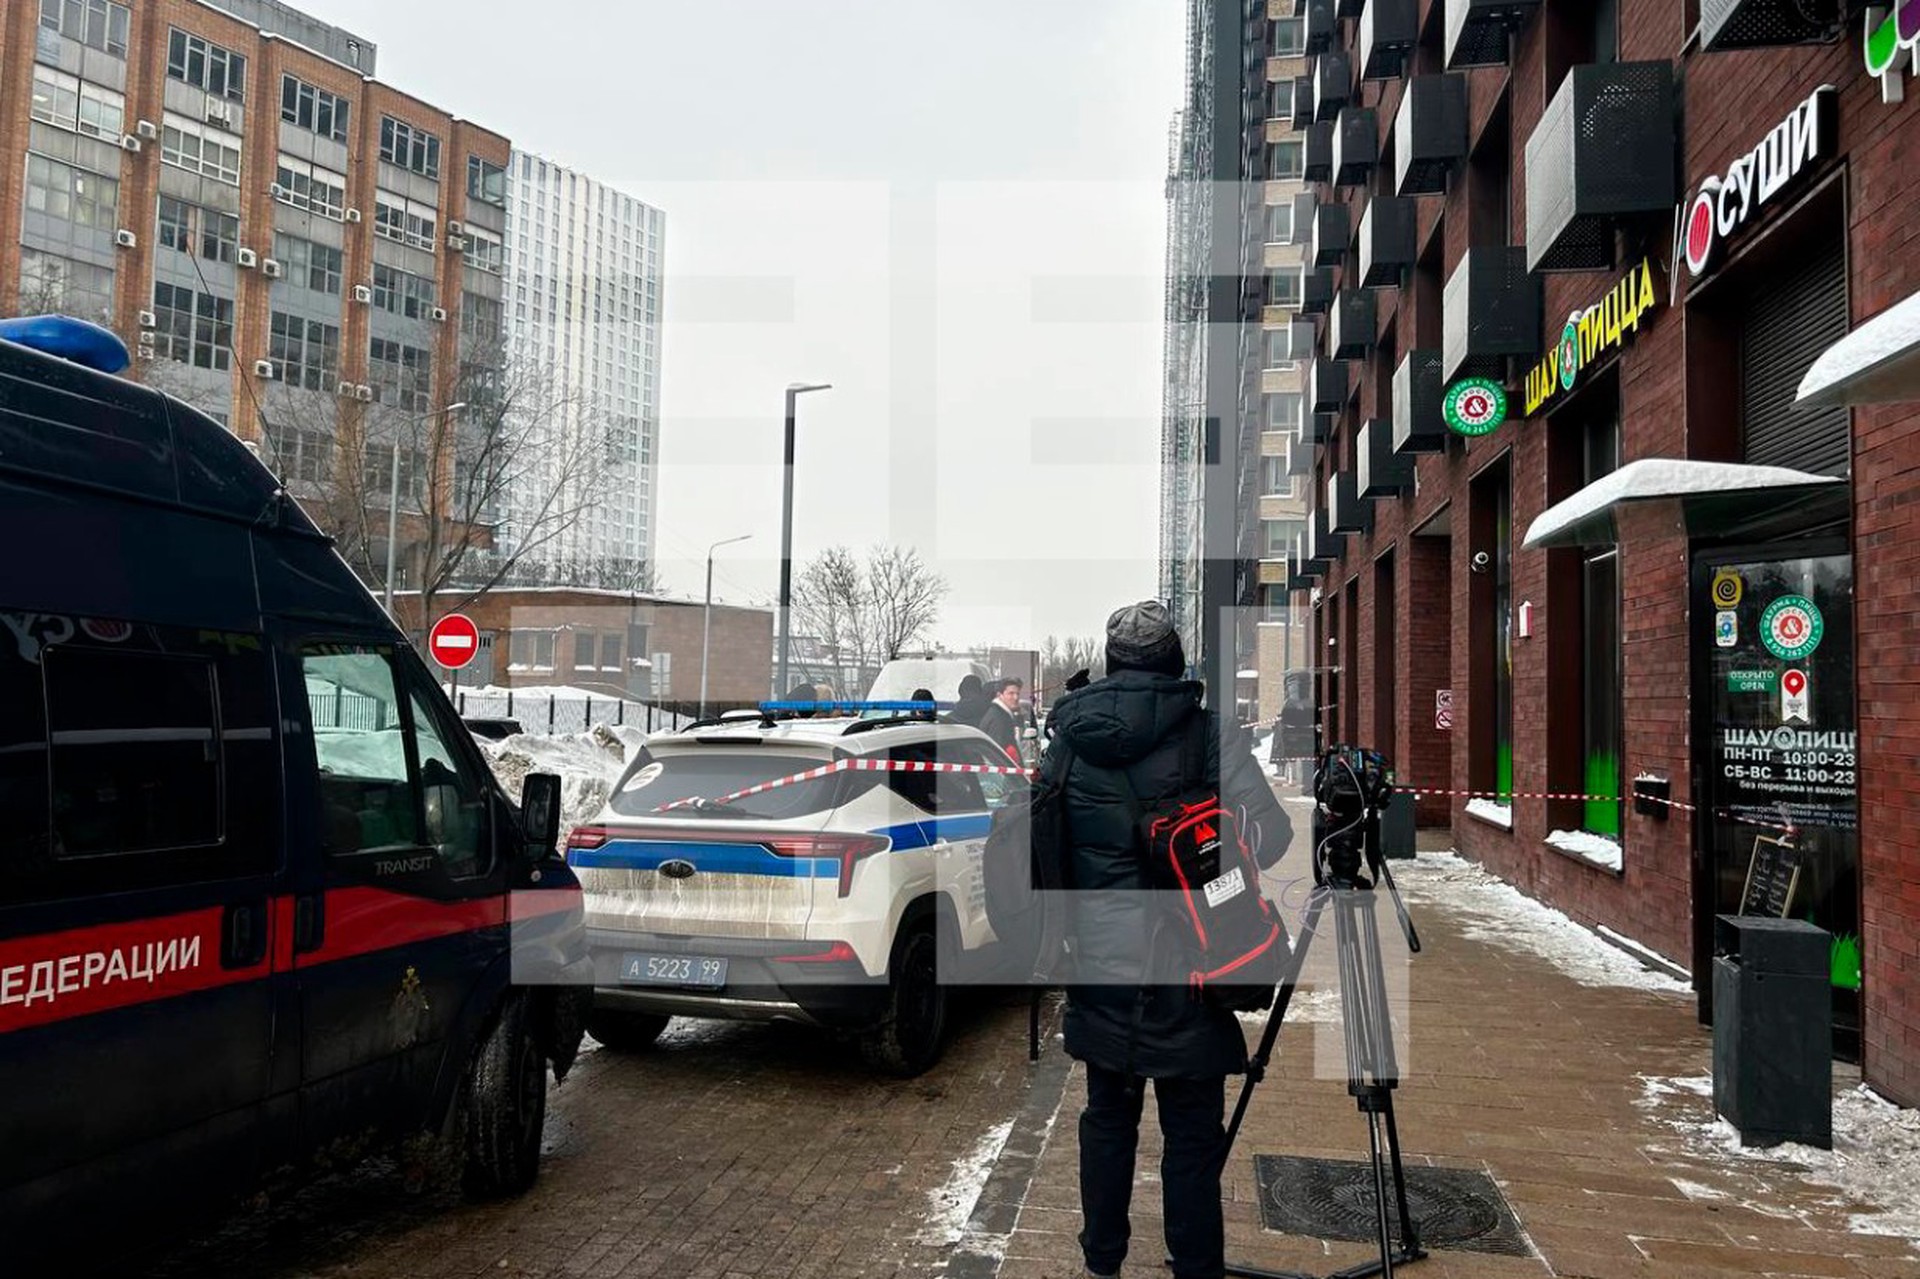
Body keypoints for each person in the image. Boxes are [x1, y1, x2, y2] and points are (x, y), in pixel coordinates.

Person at [1043, 601, 1291, 1279]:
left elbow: (1045, 851)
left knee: (1107, 1117)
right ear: (1175, 661)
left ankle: (1102, 1261)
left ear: (1111, 662)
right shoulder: (1212, 734)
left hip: (1100, 967)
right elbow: (1273, 837)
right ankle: (1195, 1266)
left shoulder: (1069, 739)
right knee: (1190, 1135)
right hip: (1195, 966)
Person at [977, 677, 1023, 761]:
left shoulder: (1001, 715)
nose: (1016, 698)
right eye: (1011, 693)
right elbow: (996, 754)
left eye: (1018, 694)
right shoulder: (998, 719)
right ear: (999, 695)